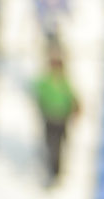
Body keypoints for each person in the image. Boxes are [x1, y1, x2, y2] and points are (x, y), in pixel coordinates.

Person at [34, 44, 77, 189]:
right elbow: (41, 96)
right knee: (51, 145)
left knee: (60, 145)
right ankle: (52, 171)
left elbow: (71, 97)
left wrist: (72, 109)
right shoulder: (47, 81)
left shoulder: (64, 82)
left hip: (61, 119)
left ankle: (57, 172)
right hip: (51, 119)